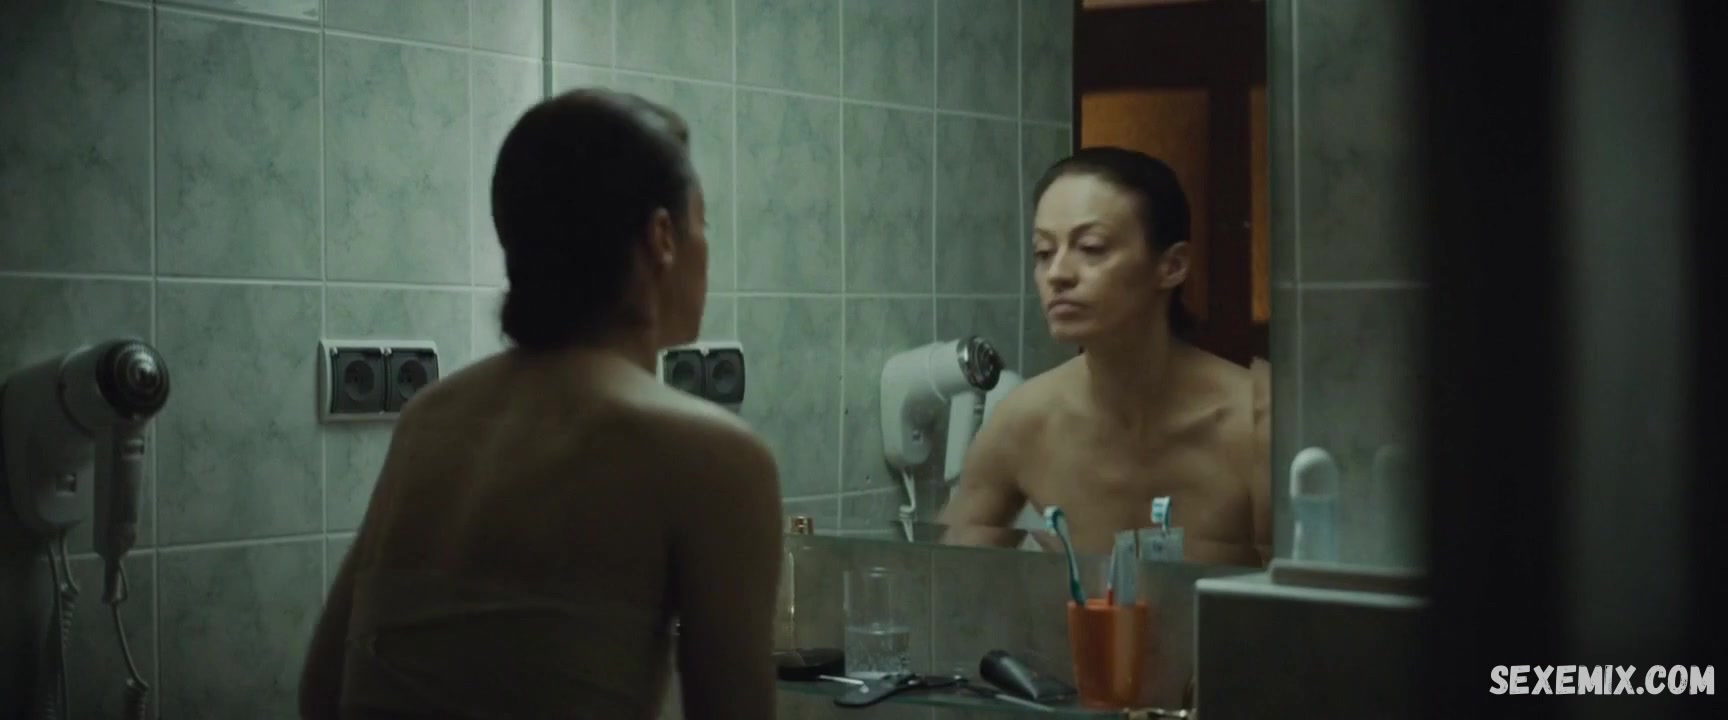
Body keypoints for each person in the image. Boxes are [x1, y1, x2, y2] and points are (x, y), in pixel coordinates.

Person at [298, 89, 784, 720]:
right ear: (663, 237)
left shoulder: (430, 419)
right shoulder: (710, 455)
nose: (706, 246)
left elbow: (321, 694)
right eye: (703, 222)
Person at [938, 147, 1270, 566]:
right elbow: (945, 576)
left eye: (1091, 247)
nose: (1058, 274)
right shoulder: (1025, 422)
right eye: (1043, 252)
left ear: (1172, 266)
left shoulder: (1258, 422)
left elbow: (1315, 593)